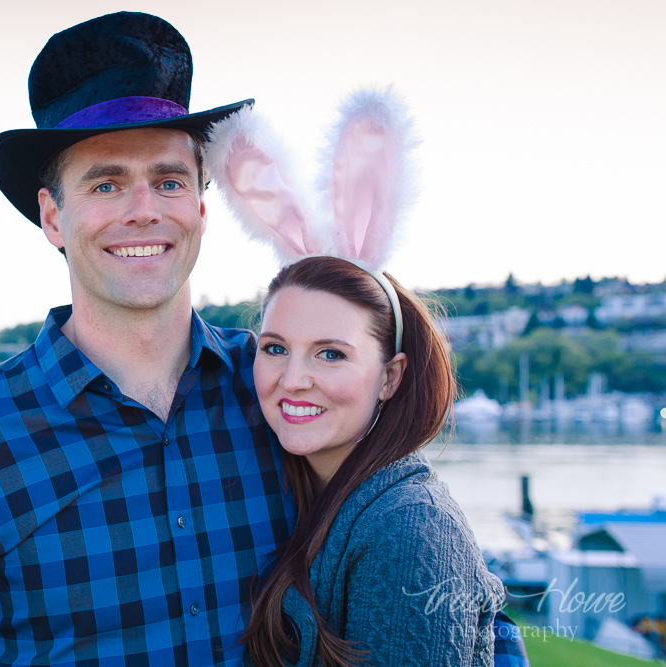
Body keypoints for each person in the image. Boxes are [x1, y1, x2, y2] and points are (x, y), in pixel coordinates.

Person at [0, 12, 294, 666]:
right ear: (52, 216)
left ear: (202, 207)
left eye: (168, 180)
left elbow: (441, 577)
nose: (144, 209)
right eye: (106, 183)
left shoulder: (287, 389)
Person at [205, 91, 531, 666]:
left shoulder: (409, 533)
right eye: (276, 347)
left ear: (389, 376)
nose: (293, 379)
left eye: (331, 354)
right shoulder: (320, 494)